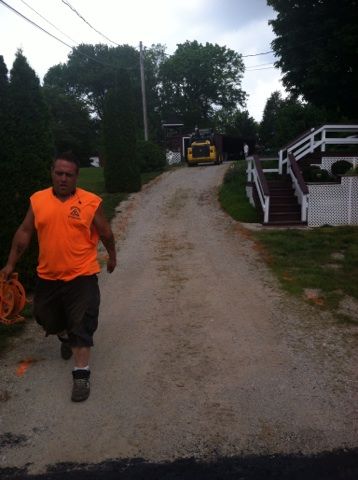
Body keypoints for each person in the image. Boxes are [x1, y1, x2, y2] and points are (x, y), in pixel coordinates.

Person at [0, 151, 117, 402]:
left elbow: (106, 233)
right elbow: (24, 232)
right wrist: (10, 263)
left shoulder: (90, 202)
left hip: (82, 274)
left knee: (83, 323)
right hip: (48, 276)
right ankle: (64, 335)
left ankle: (81, 374)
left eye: (69, 175)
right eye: (59, 173)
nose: (63, 178)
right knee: (46, 318)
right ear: (52, 173)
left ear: (76, 177)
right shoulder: (38, 200)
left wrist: (113, 257)